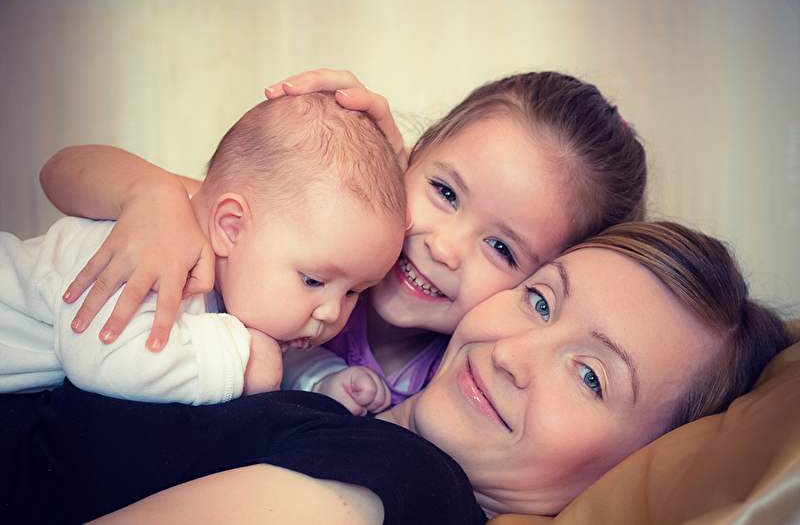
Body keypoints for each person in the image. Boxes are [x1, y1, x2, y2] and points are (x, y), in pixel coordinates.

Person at [0, 221, 789, 525]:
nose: (511, 353)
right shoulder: (338, 385)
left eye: (591, 377)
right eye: (541, 300)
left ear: (642, 462)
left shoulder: (404, 482)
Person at [40, 69, 648, 414]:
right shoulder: (292, 234)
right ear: (409, 158)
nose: (444, 247)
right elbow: (60, 173)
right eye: (444, 191)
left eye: (503, 249)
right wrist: (149, 196)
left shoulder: (460, 381)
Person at [0, 92, 406, 405]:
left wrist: (322, 379)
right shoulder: (153, 252)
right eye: (313, 280)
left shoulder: (245, 276)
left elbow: (263, 344)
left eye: (354, 292)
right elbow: (104, 359)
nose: (332, 313)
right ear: (231, 228)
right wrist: (242, 360)